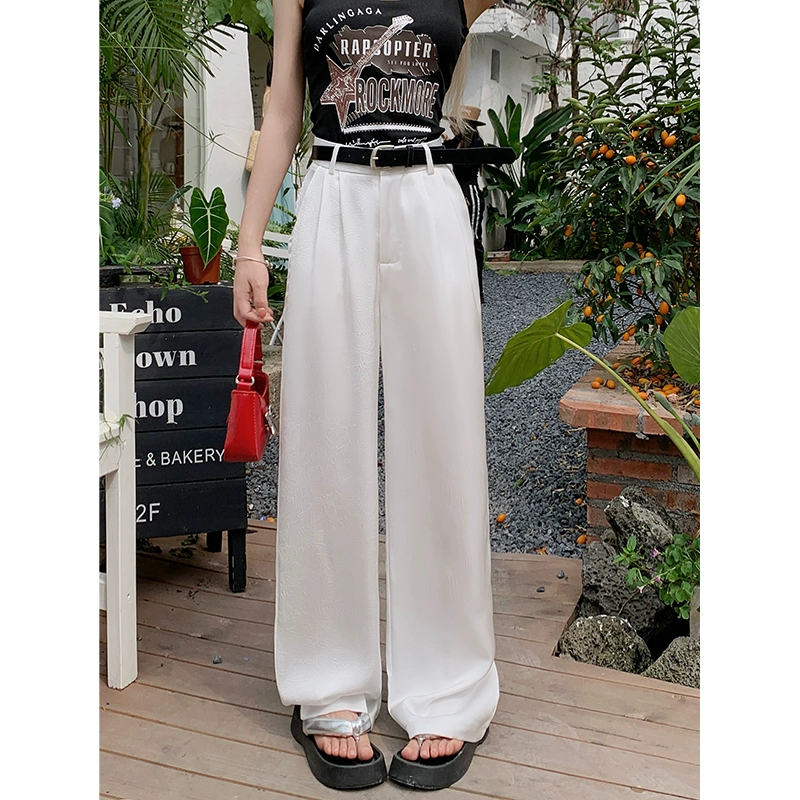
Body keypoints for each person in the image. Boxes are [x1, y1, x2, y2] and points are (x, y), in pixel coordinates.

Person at [233, 0, 502, 791]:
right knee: (325, 437)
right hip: (334, 193)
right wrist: (248, 246)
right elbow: (284, 106)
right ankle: (329, 689)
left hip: (430, 197)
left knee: (444, 443)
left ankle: (447, 690)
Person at [443, 105, 488, 303]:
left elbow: (465, 168)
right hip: (457, 191)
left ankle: (477, 289)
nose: (452, 127)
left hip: (470, 192)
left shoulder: (476, 143)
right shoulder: (455, 142)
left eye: (455, 123)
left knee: (473, 239)